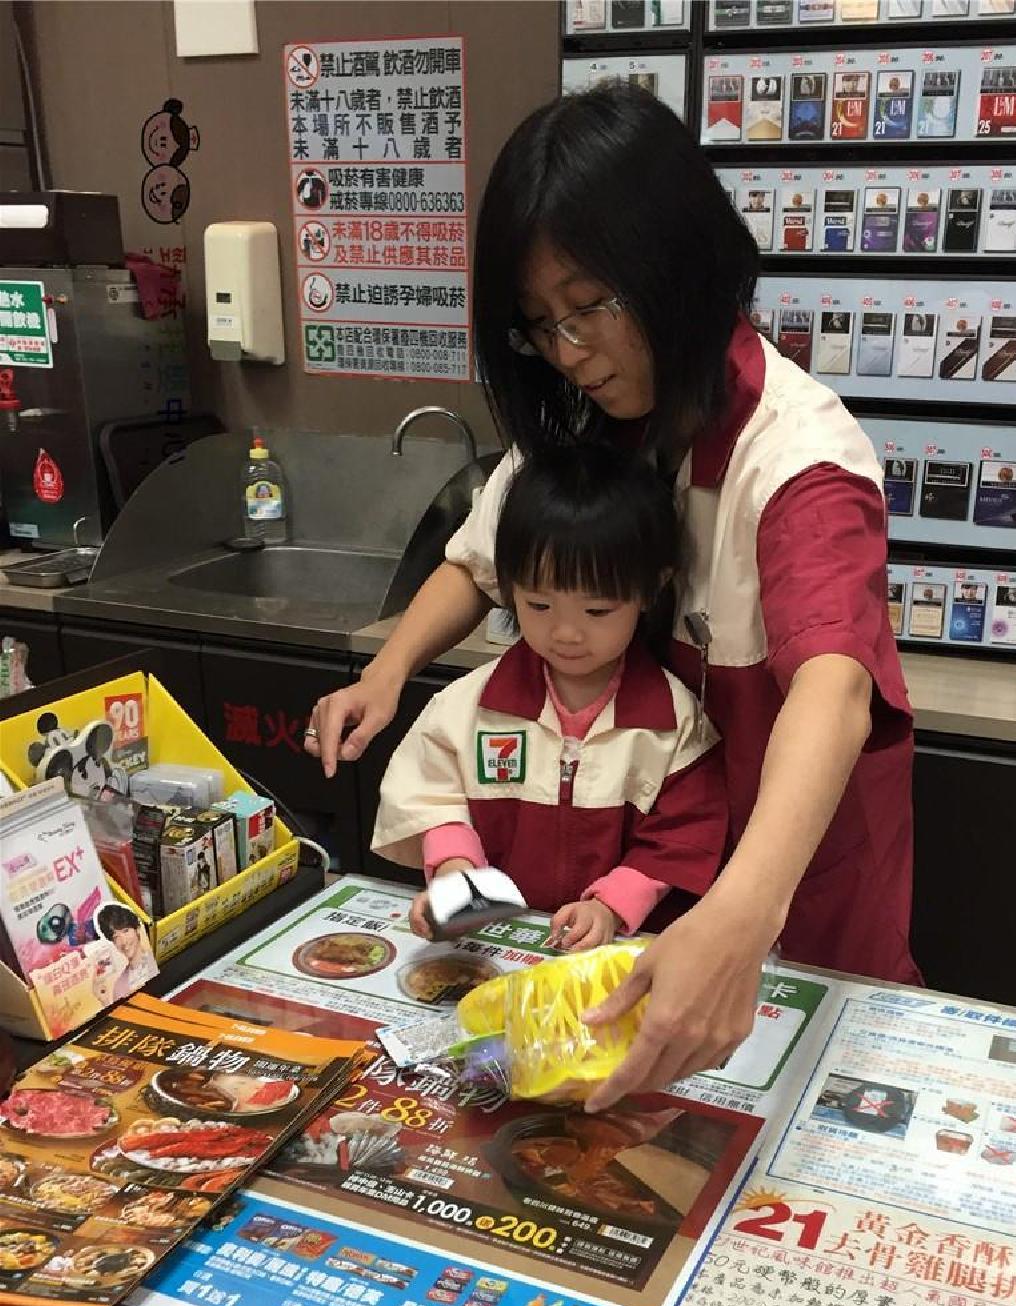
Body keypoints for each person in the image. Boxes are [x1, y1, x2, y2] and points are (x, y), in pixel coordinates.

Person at [307, 83, 917, 1108]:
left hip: (788, 896)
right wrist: (389, 669)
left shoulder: (796, 456)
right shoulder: (588, 427)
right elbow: (474, 559)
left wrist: (736, 918)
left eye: (589, 307)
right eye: (540, 324)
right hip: (649, 897)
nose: (569, 351)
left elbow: (834, 689)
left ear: (676, 265)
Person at [373, 444, 727, 952]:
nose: (565, 633)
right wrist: (456, 876)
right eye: (538, 604)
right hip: (497, 946)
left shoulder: (675, 723)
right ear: (508, 585)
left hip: (613, 953)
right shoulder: (471, 707)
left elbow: (684, 836)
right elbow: (430, 796)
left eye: (598, 611)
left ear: (651, 589)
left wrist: (609, 906)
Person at [94, 903, 157, 1002]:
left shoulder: (157, 957)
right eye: (116, 937)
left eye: (125, 931)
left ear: (137, 929)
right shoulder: (119, 986)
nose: (123, 942)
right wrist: (104, 1000)